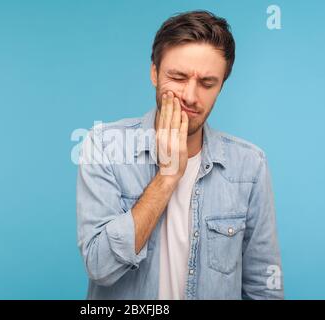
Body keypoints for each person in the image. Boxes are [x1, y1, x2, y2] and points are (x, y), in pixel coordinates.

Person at [76, 10, 283, 300]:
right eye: (178, 77)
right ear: (154, 73)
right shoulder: (104, 147)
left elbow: (263, 287)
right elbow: (100, 266)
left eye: (207, 83)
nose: (190, 96)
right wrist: (168, 176)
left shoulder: (250, 165)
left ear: (222, 85)